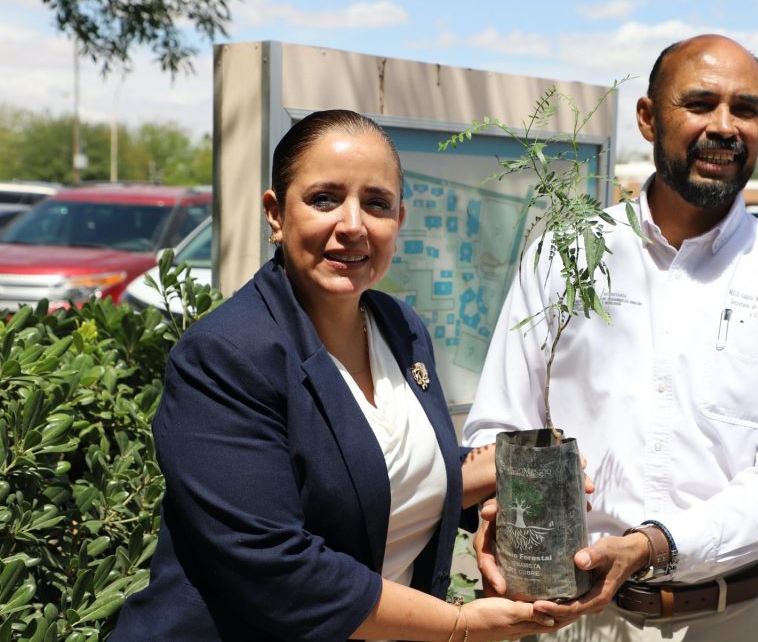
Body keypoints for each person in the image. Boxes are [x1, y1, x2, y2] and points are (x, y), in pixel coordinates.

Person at [111, 110, 575, 641]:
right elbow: (275, 566)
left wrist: (522, 475)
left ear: (399, 219)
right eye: (325, 199)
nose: (353, 225)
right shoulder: (224, 357)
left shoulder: (400, 327)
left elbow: (383, 472)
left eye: (376, 204)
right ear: (276, 215)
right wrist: (459, 626)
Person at [462, 34, 758, 641]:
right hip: (567, 616)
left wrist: (654, 545)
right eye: (699, 103)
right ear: (647, 118)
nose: (725, 126)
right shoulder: (564, 254)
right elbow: (501, 423)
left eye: (745, 109)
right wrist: (503, 504)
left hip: (725, 621)